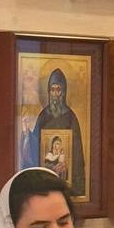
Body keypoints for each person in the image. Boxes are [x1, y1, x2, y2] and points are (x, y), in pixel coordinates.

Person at [32, 68, 86, 196]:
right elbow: (34, 146)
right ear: (48, 92)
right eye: (52, 90)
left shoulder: (71, 117)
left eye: (58, 90)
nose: (55, 94)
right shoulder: (43, 116)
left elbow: (77, 152)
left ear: (64, 92)